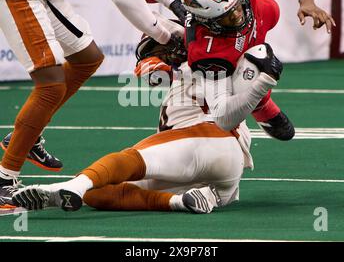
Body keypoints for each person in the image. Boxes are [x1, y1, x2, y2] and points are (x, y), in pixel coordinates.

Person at [11, 22, 283, 214]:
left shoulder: (202, 62)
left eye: (159, 48)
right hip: (219, 181)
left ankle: (71, 185)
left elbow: (153, 70)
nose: (155, 53)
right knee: (99, 192)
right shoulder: (214, 63)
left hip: (210, 140)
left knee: (128, 159)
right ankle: (177, 202)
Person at [0, 0, 187, 208]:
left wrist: (173, 3)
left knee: (86, 59)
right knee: (50, 85)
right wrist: (164, 35)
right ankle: (4, 178)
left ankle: (26, 136)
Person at [152, 0, 335, 140]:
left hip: (259, 17)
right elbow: (223, 118)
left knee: (271, 9)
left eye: (237, 6)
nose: (238, 16)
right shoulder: (206, 51)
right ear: (205, 20)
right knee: (252, 66)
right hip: (225, 51)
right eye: (227, 16)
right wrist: (263, 83)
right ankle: (262, 106)